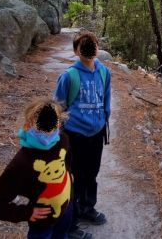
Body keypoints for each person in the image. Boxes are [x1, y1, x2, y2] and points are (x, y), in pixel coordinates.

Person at [0, 99, 76, 239]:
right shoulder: (21, 163)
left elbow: (66, 157)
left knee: (62, 234)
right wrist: (26, 213)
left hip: (66, 209)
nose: (48, 127)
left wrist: (69, 174)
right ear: (28, 125)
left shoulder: (62, 140)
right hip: (42, 224)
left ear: (59, 122)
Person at [54, 31, 111, 235]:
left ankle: (87, 208)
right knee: (74, 177)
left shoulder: (104, 72)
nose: (89, 49)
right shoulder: (69, 76)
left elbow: (106, 98)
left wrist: (104, 119)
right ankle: (70, 223)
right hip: (75, 135)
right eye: (84, 46)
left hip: (96, 133)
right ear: (77, 51)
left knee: (91, 174)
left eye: (93, 45)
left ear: (97, 48)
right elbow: (59, 105)